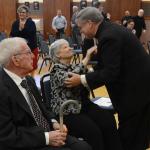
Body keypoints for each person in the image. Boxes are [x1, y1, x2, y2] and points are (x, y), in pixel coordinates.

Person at [64, 7, 150, 150]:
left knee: (132, 135)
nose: (81, 32)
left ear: (90, 23)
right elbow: (106, 66)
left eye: (81, 27)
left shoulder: (108, 37)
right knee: (137, 133)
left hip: (134, 94)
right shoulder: (110, 30)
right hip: (139, 89)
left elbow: (110, 73)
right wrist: (88, 72)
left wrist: (82, 79)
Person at [0, 37, 92, 150]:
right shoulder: (3, 89)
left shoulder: (28, 80)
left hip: (47, 131)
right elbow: (6, 136)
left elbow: (43, 107)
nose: (34, 56)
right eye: (29, 53)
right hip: (27, 142)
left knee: (83, 147)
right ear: (16, 60)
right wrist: (46, 138)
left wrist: (54, 122)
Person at [49, 39, 123, 150]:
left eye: (69, 46)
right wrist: (87, 57)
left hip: (83, 106)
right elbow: (72, 79)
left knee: (108, 120)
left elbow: (87, 77)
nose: (70, 48)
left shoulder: (73, 67)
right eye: (65, 47)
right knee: (93, 131)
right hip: (68, 112)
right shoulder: (56, 70)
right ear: (58, 55)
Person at [10, 5, 38, 75]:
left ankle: (32, 80)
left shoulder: (31, 23)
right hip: (19, 49)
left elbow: (31, 35)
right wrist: (20, 30)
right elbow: (13, 35)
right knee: (22, 67)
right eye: (20, 12)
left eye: (23, 12)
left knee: (31, 66)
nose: (21, 14)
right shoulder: (15, 23)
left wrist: (23, 29)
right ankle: (24, 81)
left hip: (31, 48)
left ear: (27, 14)